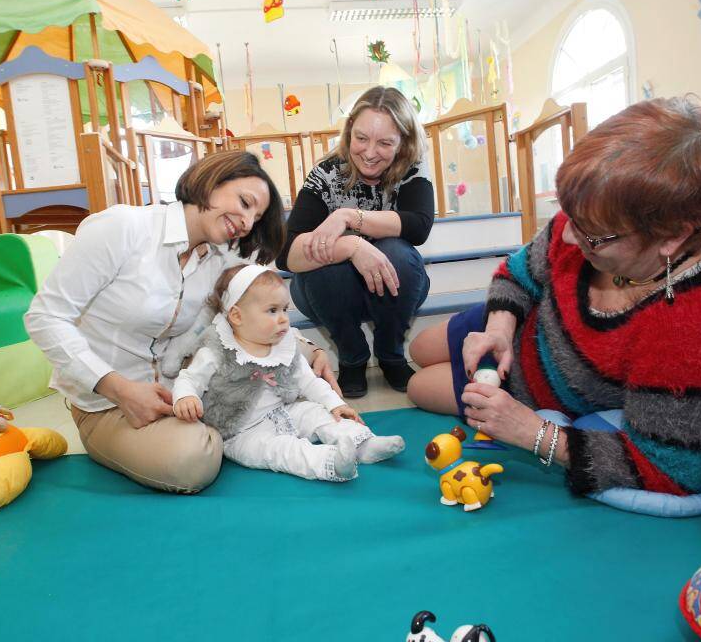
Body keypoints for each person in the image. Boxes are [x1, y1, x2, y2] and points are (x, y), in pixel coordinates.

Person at [407, 96, 701, 497]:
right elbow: (519, 271)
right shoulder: (598, 214)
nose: (568, 236)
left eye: (591, 232)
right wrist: (500, 327)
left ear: (673, 237)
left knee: (419, 387)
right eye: (567, 214)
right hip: (513, 327)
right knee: (419, 347)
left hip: (527, 390)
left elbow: (670, 469)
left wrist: (533, 432)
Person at [24, 151, 340, 494]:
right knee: (194, 457)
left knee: (282, 398)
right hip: (107, 404)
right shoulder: (122, 228)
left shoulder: (219, 257)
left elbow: (251, 310)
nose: (248, 222)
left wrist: (308, 350)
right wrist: (120, 389)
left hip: (181, 390)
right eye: (244, 202)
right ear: (211, 181)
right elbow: (45, 317)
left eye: (256, 216)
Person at [169, 264, 405, 482]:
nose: (283, 319)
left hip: (283, 412)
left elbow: (308, 381)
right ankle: (330, 462)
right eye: (272, 311)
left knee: (316, 413)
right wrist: (185, 396)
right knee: (281, 451)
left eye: (284, 309)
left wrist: (334, 404)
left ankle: (363, 443)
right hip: (242, 432)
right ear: (237, 316)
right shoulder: (217, 350)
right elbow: (189, 378)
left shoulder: (283, 346)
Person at [276, 86, 433, 398]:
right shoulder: (325, 172)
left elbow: (418, 227)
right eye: (361, 138)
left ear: (403, 143)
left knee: (398, 253)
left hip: (391, 288)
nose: (370, 152)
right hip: (329, 291)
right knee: (325, 264)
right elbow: (287, 255)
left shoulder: (412, 168)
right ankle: (352, 356)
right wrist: (352, 246)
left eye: (385, 142)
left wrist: (348, 217)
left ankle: (390, 353)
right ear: (348, 134)